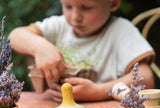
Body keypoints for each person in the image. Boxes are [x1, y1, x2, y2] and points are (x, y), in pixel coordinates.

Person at [8, 0, 155, 102]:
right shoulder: (59, 26)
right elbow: (14, 36)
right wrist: (39, 47)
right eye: (68, 6)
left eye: (86, 7)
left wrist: (98, 92)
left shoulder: (121, 30)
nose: (75, 17)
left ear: (113, 3)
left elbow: (146, 78)